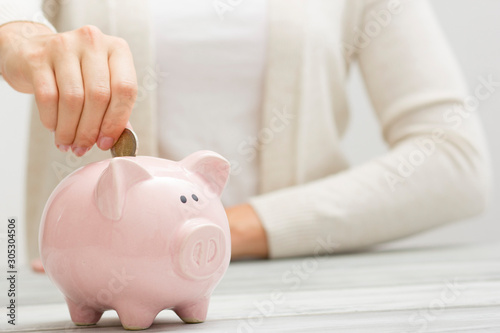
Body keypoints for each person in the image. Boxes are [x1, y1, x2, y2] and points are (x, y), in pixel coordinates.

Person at [0, 0, 491, 266]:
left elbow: (454, 161)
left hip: (300, 284)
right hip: (81, 290)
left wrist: (223, 228)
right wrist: (19, 34)